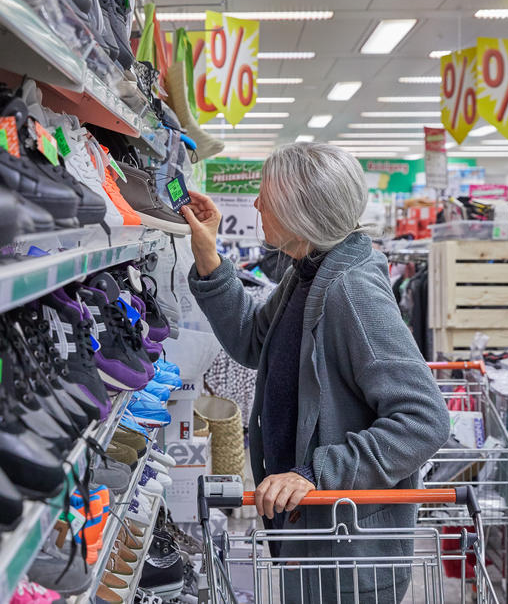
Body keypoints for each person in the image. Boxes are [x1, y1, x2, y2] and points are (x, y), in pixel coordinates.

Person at [179, 142, 450, 602]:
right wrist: (209, 257)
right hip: (315, 535)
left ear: (299, 209)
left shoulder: (351, 290)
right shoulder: (307, 272)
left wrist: (314, 472)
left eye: (267, 194)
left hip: (350, 555)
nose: (258, 203)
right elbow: (253, 341)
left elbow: (425, 419)